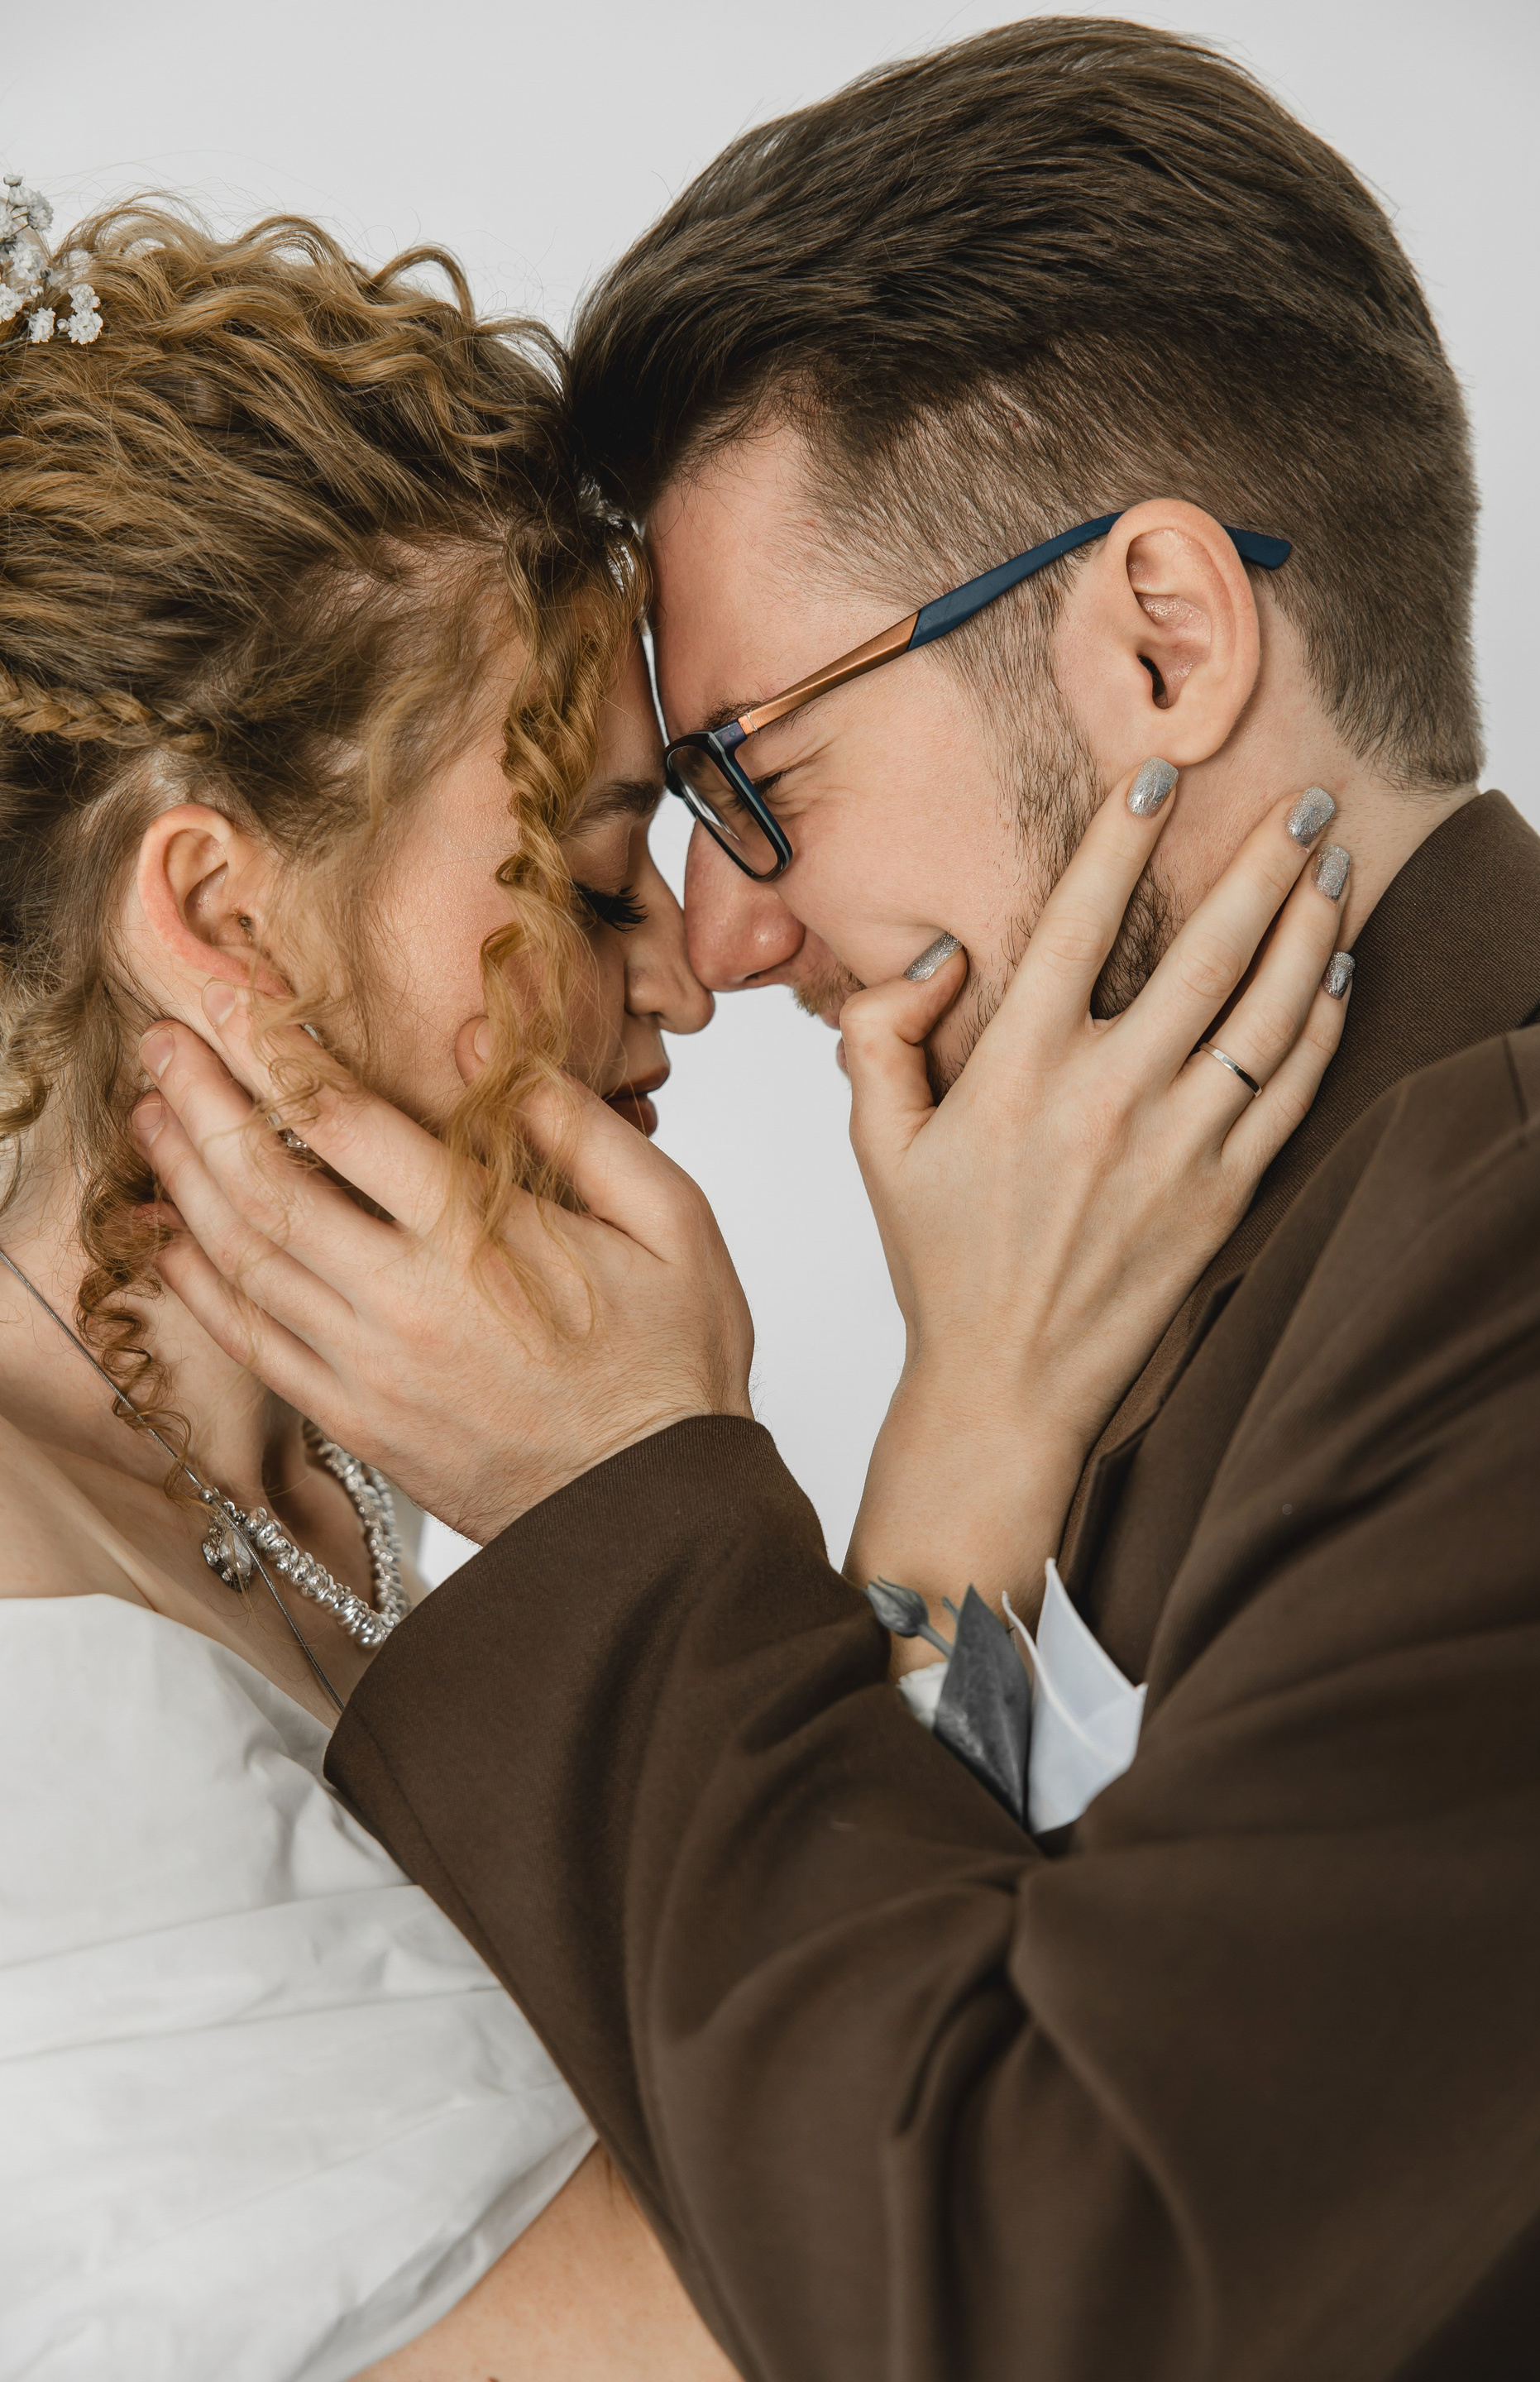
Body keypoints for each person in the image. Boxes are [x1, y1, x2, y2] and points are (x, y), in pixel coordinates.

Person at [139, 19, 1540, 2382]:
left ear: (1161, 641)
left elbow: (1036, 2291)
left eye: (748, 774)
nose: (716, 936)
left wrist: (617, 1496)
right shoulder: (1198, 1282)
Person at [0, 194, 739, 2382]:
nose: (690, 972)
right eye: (595, 880)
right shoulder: (35, 1676)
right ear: (220, 919)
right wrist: (925, 1446)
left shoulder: (316, 1472)